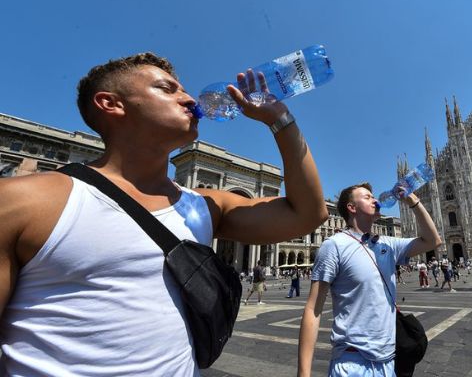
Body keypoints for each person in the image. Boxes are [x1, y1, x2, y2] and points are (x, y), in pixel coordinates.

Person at [0, 53, 329, 376]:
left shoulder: (203, 205)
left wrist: (280, 120)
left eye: (183, 89)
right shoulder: (26, 201)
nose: (188, 97)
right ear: (111, 104)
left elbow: (307, 213)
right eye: (167, 89)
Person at [297, 183, 441, 377]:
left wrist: (413, 201)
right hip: (352, 362)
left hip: (389, 362)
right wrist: (303, 373)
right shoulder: (334, 246)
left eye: (373, 196)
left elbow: (432, 241)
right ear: (352, 208)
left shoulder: (387, 244)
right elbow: (313, 309)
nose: (375, 200)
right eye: (367, 197)